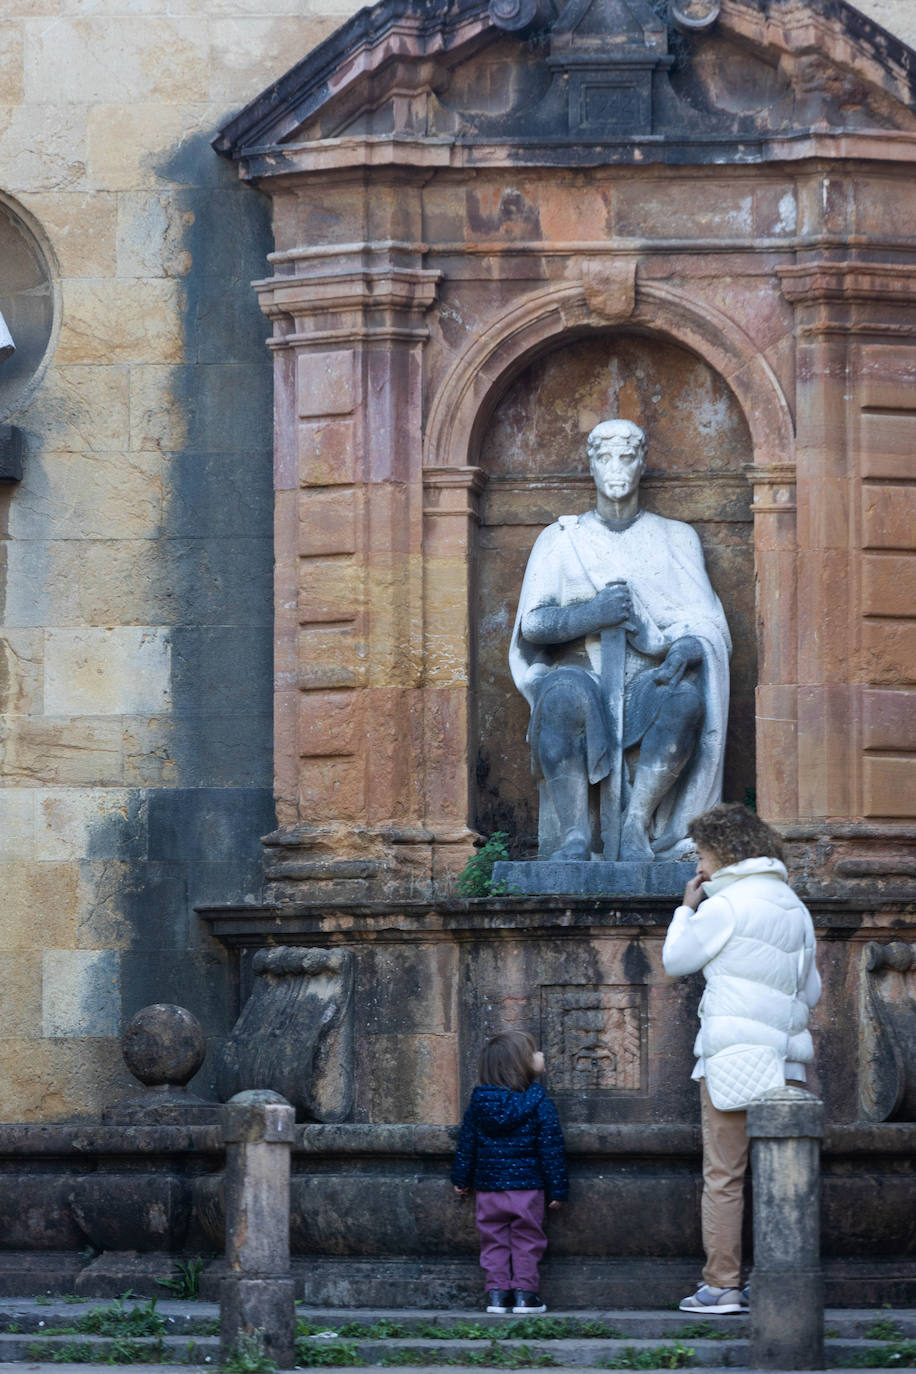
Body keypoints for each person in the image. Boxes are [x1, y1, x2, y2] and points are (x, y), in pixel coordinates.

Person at [509, 419, 731, 863]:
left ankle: (635, 827)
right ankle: (574, 835)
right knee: (560, 697)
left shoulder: (675, 538)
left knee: (684, 701)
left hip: (648, 680)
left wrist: (688, 648)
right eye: (605, 458)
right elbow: (532, 625)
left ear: (642, 463)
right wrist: (592, 614)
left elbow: (707, 622)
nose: (617, 468)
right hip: (579, 675)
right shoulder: (560, 541)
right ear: (591, 466)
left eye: (626, 457)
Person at [662, 802, 821, 1315]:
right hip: (787, 1062)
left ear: (724, 851)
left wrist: (686, 907)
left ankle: (722, 1286)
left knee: (725, 1175)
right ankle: (782, 1282)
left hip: (732, 1059)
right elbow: (811, 990)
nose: (699, 864)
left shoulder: (722, 906)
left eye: (702, 852)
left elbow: (675, 962)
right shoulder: (795, 907)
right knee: (783, 1172)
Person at [451, 1030, 568, 1315]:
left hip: (488, 1189)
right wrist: (558, 1189)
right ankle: (525, 1295)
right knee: (527, 1240)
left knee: (493, 1240)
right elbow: (550, 1148)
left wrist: (461, 1179)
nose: (541, 1055)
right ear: (522, 1064)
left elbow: (467, 1143)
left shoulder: (479, 1103)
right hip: (527, 1188)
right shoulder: (538, 1101)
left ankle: (497, 1294)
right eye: (534, 1053)